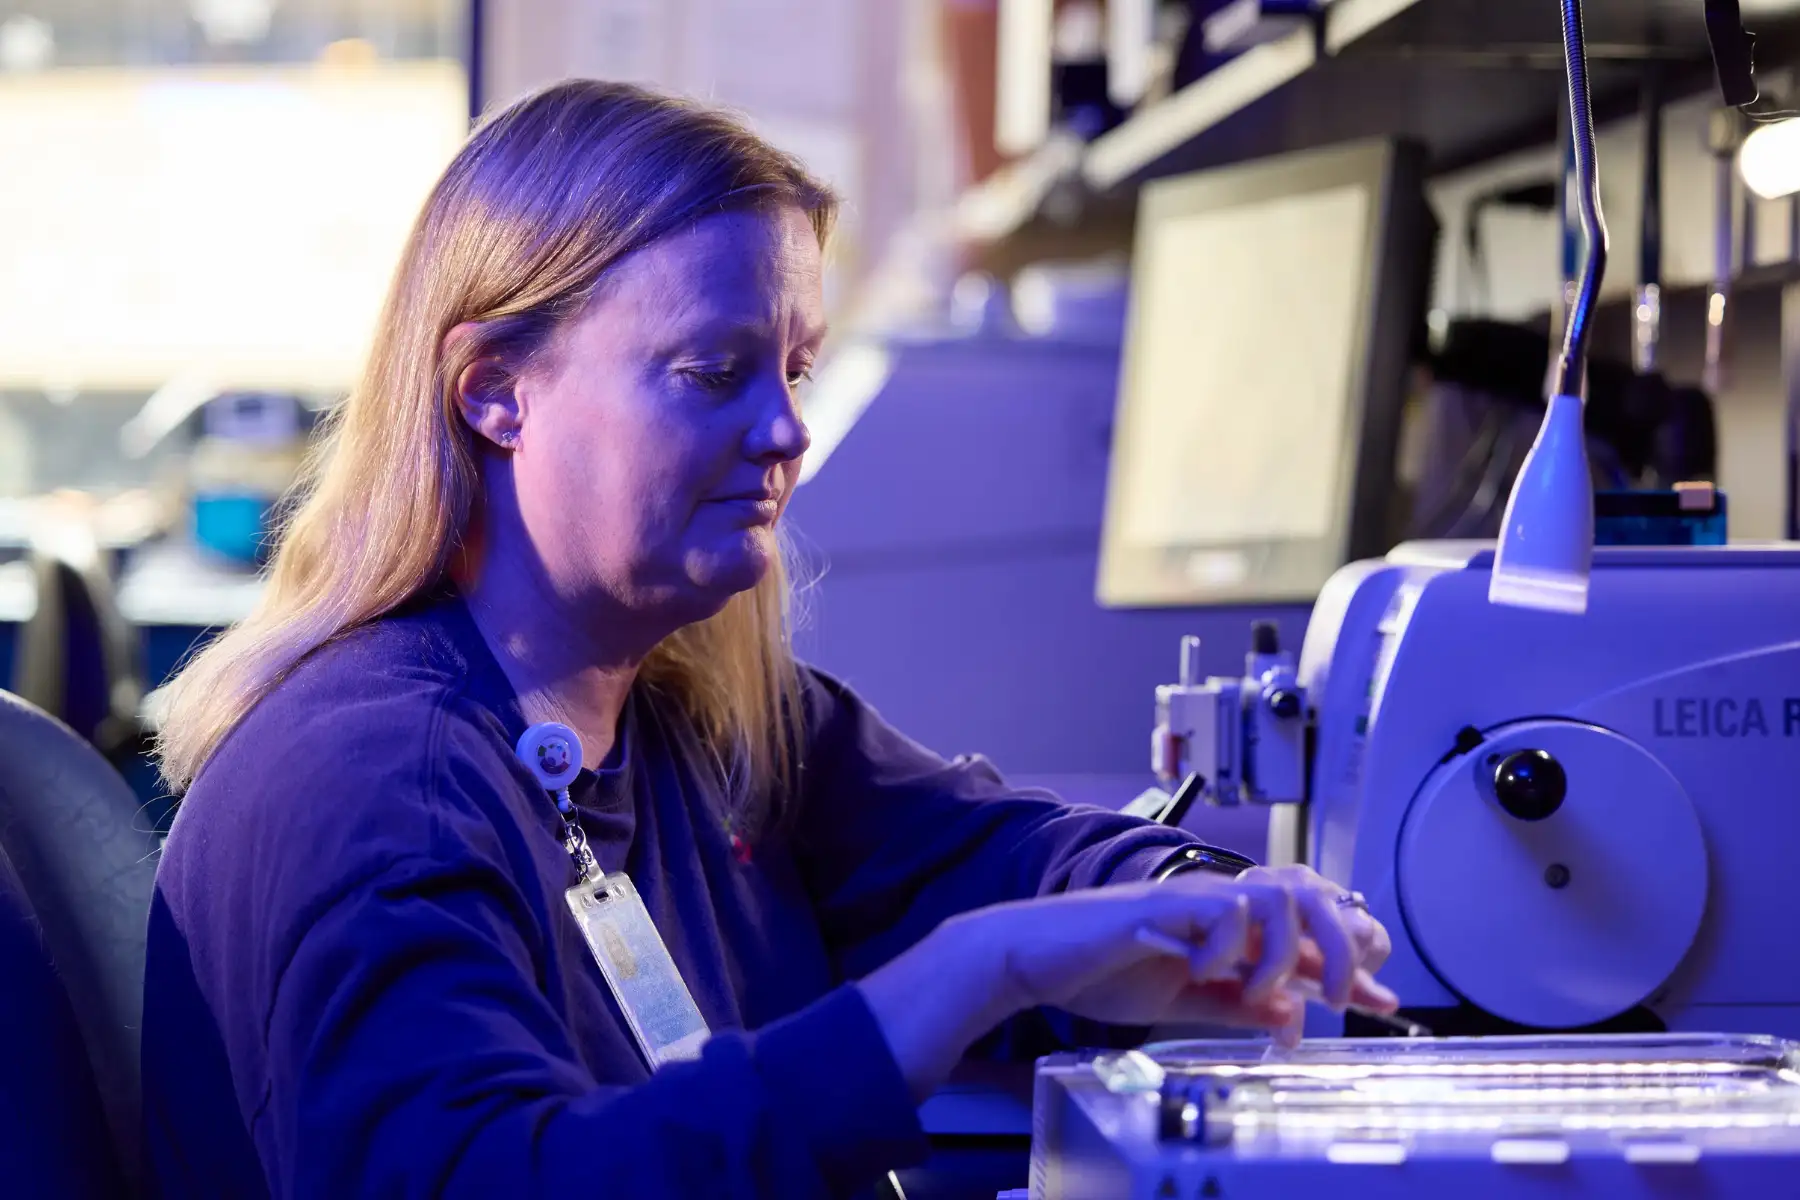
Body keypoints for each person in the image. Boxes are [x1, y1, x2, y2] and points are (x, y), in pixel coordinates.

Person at [141, 80, 1398, 1200]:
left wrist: (1195, 909)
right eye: (715, 372)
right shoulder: (373, 782)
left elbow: (989, 851)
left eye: (796, 369)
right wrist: (965, 976)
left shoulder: (688, 718)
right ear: (493, 391)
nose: (788, 430)